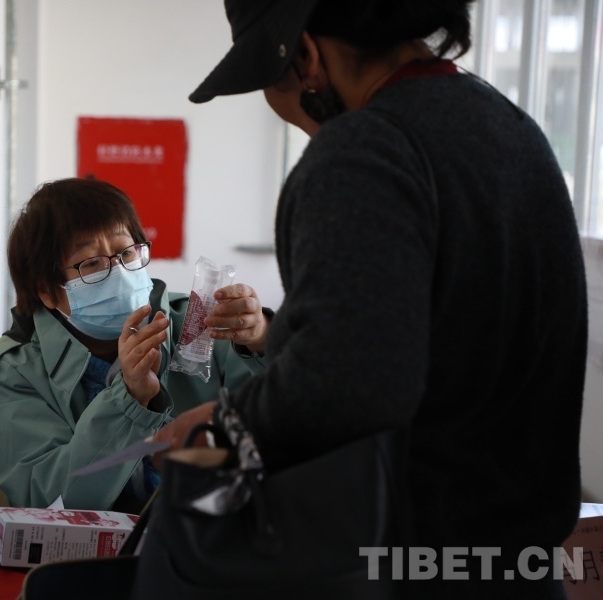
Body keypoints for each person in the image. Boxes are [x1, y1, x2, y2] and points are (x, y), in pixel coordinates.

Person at [154, 0, 587, 597]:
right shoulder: (510, 128)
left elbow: (348, 382)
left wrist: (223, 426)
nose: (300, 124)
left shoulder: (364, 149)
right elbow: (418, 335)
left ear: (305, 56)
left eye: (272, 83)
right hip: (519, 570)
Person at [0, 177, 270, 513]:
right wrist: (128, 399)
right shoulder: (15, 370)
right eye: (91, 263)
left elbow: (288, 419)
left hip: (214, 531)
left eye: (126, 252)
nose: (118, 271)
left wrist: (262, 340)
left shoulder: (196, 325)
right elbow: (45, 503)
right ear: (47, 291)